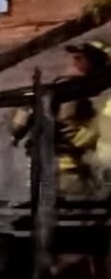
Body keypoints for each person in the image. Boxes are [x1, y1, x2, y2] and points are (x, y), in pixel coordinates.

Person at [11, 40, 111, 199]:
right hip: (65, 170)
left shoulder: (55, 88)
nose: (75, 62)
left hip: (42, 169)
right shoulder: (74, 91)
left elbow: (18, 125)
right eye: (77, 58)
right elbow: (73, 131)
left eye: (79, 58)